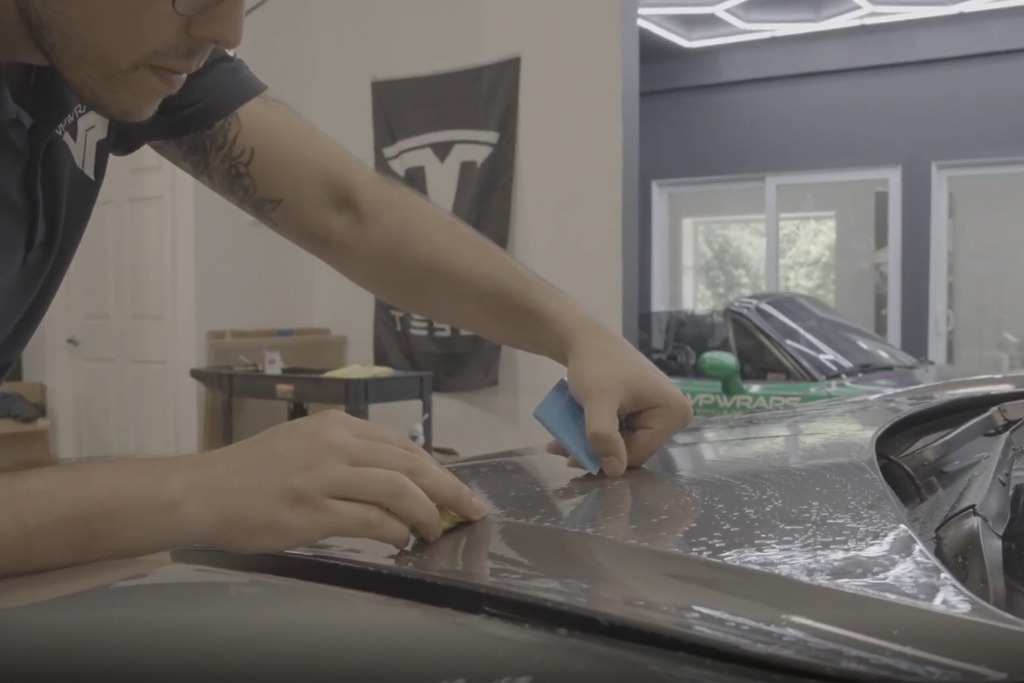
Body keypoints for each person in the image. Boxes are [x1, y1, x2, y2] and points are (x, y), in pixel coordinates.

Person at [0, 0, 693, 578]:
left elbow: (346, 210)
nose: (228, 29)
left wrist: (580, 335)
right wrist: (197, 491)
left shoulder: (112, 46)